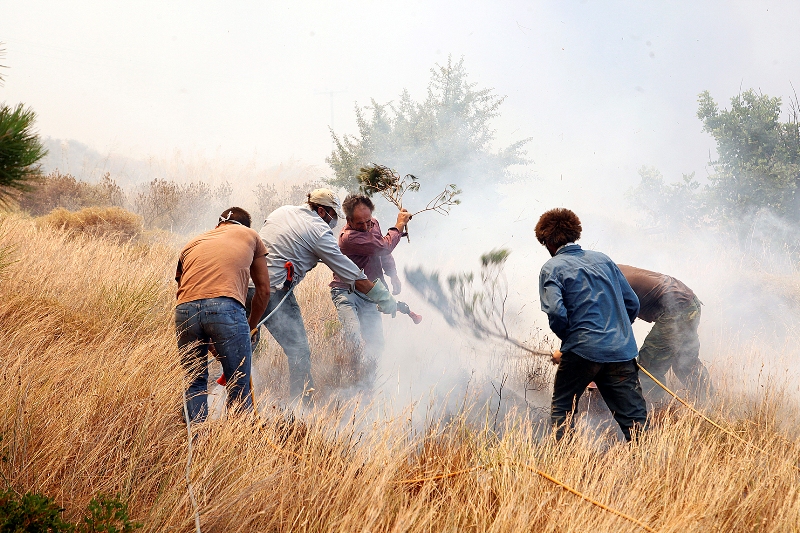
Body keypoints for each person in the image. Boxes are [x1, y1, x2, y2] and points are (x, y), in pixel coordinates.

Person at [247, 188, 397, 403]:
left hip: (245, 285)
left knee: (244, 348)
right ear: (321, 211)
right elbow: (352, 275)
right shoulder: (319, 231)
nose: (334, 220)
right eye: (333, 215)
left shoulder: (282, 211)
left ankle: (238, 405)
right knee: (298, 351)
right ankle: (300, 408)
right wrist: (385, 299)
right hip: (274, 292)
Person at [535, 208, 647, 441]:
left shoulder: (552, 267)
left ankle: (564, 462)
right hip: (621, 352)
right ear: (574, 233)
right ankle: (652, 470)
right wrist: (618, 333)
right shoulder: (604, 260)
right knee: (635, 421)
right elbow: (632, 303)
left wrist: (570, 343)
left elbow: (556, 312)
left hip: (582, 351)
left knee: (563, 410)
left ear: (547, 241)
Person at [174, 207, 271, 423]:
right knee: (238, 381)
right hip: (226, 307)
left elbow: (183, 290)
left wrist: (206, 333)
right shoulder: (251, 235)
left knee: (194, 381)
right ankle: (236, 445)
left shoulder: (193, 242)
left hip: (184, 311)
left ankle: (195, 441)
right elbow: (264, 291)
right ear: (245, 225)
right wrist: (250, 326)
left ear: (219, 225)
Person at [329, 194, 412, 384]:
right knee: (353, 335)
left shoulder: (372, 222)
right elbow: (383, 247)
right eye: (360, 224)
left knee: (376, 342)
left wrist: (392, 274)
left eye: (368, 221)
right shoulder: (348, 238)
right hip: (346, 290)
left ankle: (370, 383)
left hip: (369, 291)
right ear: (349, 220)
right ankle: (351, 380)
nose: (366, 226)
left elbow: (382, 252)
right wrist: (399, 225)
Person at [617, 264, 712, 404]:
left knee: (649, 366)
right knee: (684, 362)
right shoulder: (609, 270)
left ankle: (657, 411)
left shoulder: (605, 283)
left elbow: (617, 324)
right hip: (690, 303)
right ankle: (710, 402)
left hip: (677, 309)